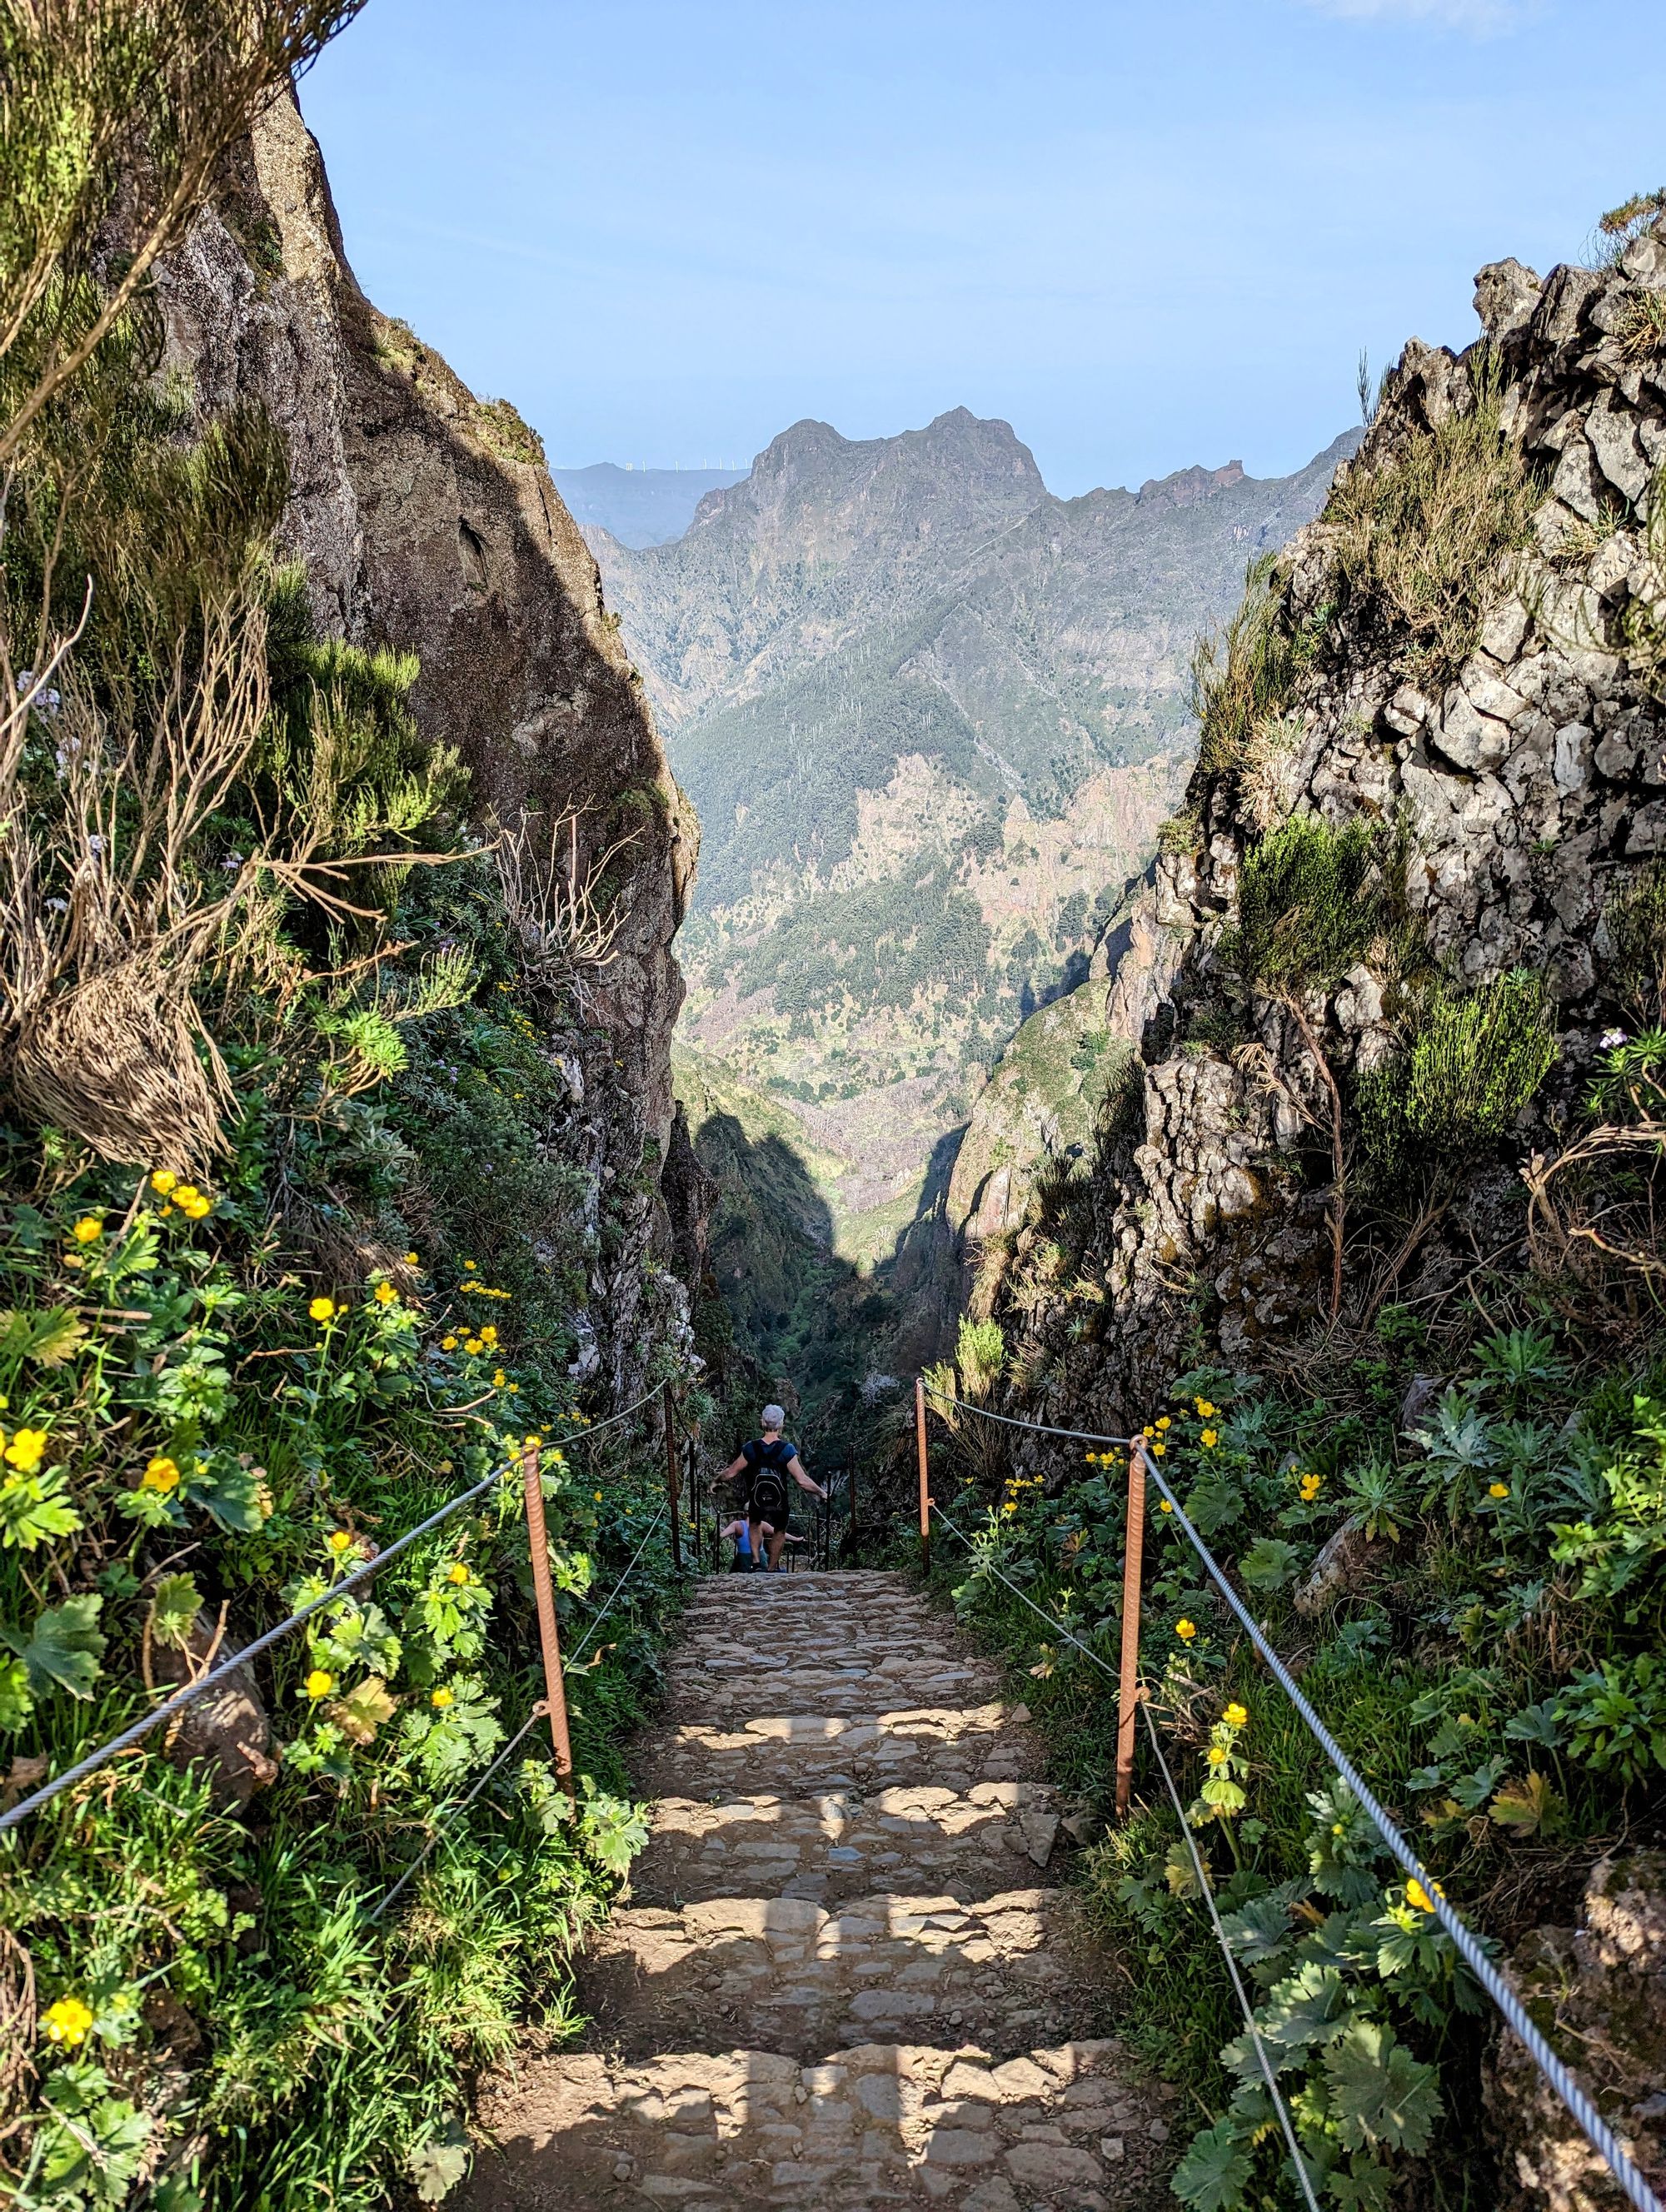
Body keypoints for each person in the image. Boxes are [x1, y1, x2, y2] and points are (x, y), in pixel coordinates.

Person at [716, 1405, 826, 1573]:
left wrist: (715, 1481)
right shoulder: (786, 1449)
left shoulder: (750, 1448)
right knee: (780, 1530)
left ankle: (755, 1563)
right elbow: (802, 1480)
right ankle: (772, 1567)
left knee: (754, 1523)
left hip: (756, 1497)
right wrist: (821, 1492)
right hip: (779, 1499)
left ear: (762, 1422)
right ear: (781, 1425)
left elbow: (731, 1472)